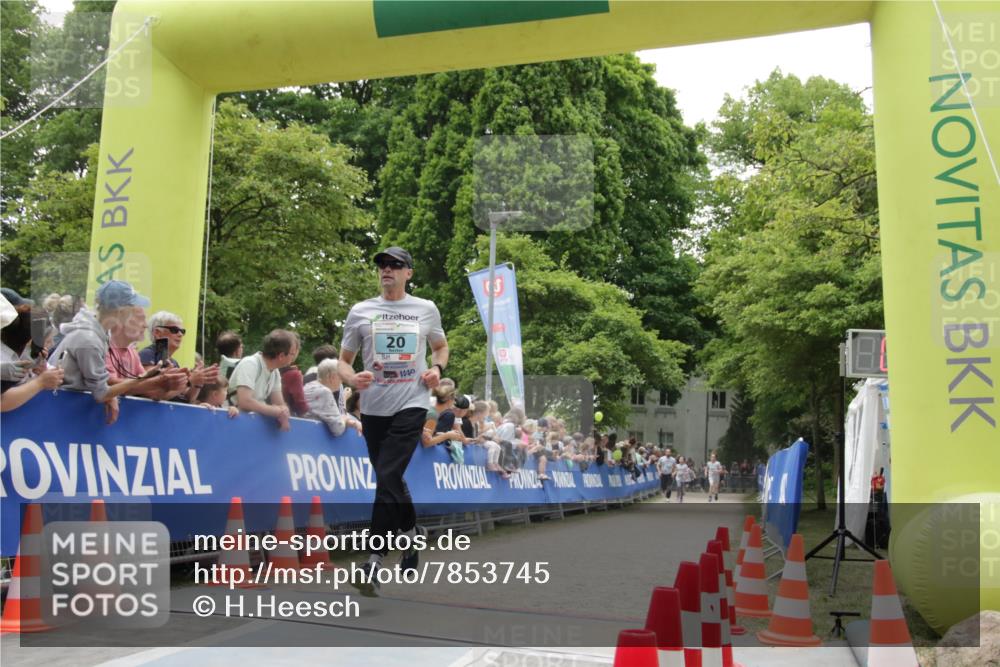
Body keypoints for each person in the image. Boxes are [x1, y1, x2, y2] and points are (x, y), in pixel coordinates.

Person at [338, 246, 448, 596]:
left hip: (412, 402)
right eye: (383, 265)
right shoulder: (360, 311)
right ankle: (411, 535)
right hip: (373, 408)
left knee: (386, 476)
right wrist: (352, 378)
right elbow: (343, 361)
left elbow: (441, 347)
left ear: (408, 273)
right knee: (390, 479)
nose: (386, 269)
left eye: (395, 265)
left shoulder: (425, 309)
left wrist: (436, 369)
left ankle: (373, 560)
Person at [52, 281, 183, 424]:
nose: (134, 312)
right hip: (58, 412)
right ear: (121, 311)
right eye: (132, 307)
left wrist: (116, 393)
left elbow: (104, 389)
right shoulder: (89, 339)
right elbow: (101, 394)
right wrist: (144, 379)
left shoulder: (97, 333)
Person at [139, 311, 220, 402]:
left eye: (182, 331)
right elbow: (152, 393)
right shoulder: (146, 355)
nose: (180, 334)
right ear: (157, 333)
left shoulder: (173, 362)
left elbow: (187, 399)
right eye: (174, 330)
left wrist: (197, 383)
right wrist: (189, 381)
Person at [227, 329, 299, 431]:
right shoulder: (250, 363)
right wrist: (275, 411)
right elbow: (245, 401)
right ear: (281, 356)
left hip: (248, 424)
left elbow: (279, 403)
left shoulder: (275, 372)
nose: (294, 358)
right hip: (231, 420)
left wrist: (284, 412)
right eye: (293, 354)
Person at [304, 358, 362, 436]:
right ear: (332, 377)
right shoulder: (325, 392)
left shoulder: (308, 386)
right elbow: (338, 428)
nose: (341, 382)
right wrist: (345, 418)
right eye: (341, 377)